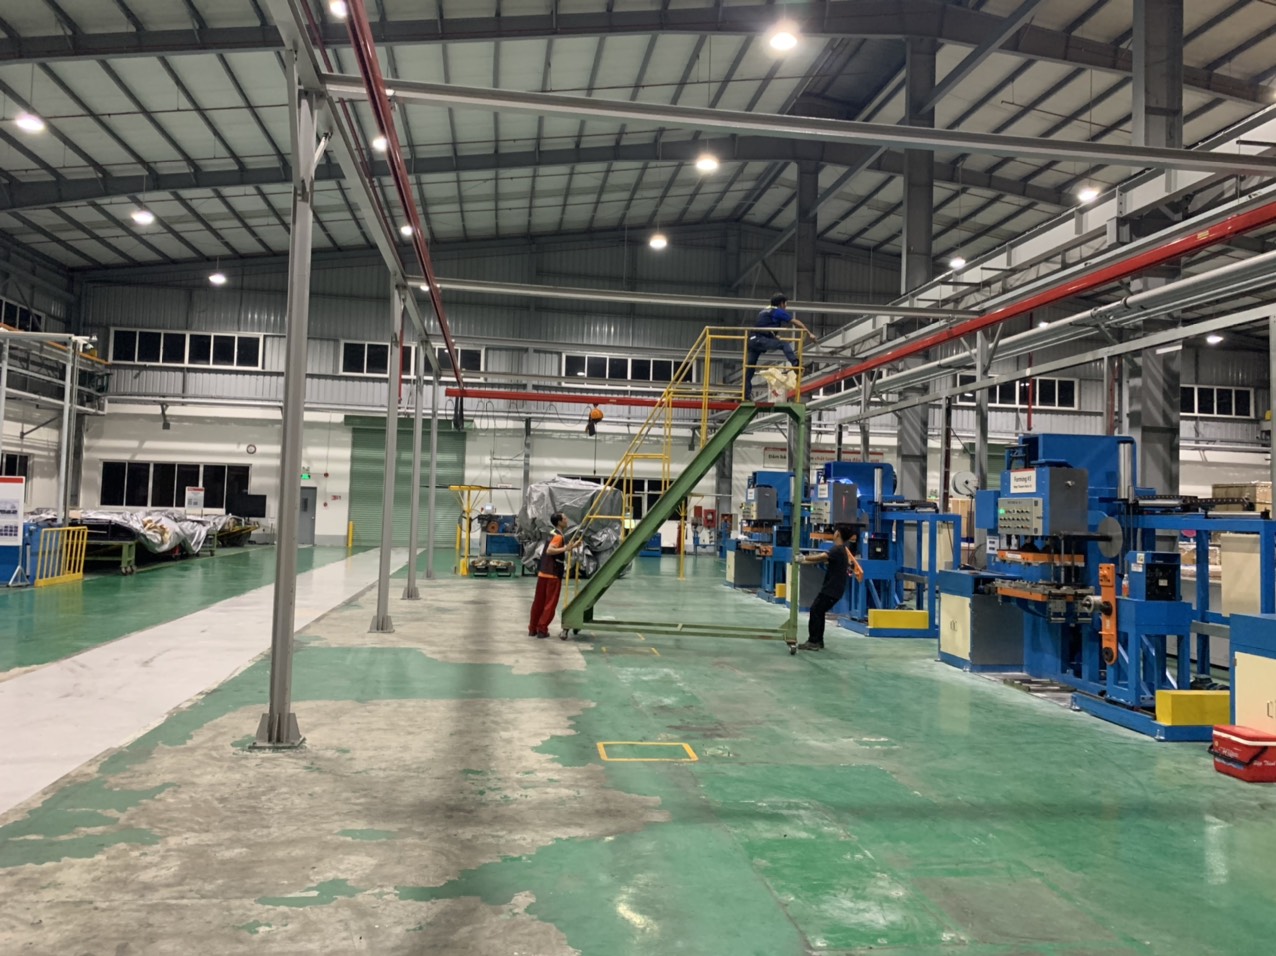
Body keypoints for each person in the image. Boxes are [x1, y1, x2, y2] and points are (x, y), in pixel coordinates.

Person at [796, 524, 863, 651]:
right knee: (818, 611)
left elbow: (822, 556)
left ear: (837, 534)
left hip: (831, 590)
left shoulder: (837, 549)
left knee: (815, 610)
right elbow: (821, 560)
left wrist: (804, 557)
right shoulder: (841, 550)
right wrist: (804, 561)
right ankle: (818, 641)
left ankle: (813, 641)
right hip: (834, 589)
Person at [529, 511, 582, 638]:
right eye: (565, 518)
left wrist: (572, 546)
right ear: (559, 522)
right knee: (549, 604)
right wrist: (566, 549)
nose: (567, 520)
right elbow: (550, 550)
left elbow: (553, 546)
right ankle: (542, 630)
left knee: (538, 603)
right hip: (552, 574)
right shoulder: (558, 536)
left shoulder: (552, 533)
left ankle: (533, 628)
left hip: (543, 573)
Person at [746, 293, 812, 388]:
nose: (786, 306)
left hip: (752, 341)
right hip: (760, 339)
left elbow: (764, 326)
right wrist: (809, 333)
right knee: (784, 344)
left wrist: (775, 337)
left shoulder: (764, 311)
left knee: (750, 367)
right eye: (785, 303)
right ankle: (796, 365)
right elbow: (795, 322)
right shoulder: (777, 311)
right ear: (781, 303)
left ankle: (745, 392)